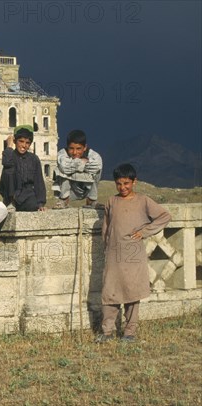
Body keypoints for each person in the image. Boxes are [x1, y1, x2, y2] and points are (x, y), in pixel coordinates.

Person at [96, 163, 171, 343]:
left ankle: (129, 332)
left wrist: (144, 232)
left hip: (133, 254)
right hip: (114, 254)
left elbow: (164, 216)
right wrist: (107, 246)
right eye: (119, 184)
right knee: (110, 292)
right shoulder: (111, 201)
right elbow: (106, 227)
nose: (123, 187)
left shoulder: (143, 200)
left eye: (127, 183)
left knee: (132, 293)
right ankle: (107, 331)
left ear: (134, 182)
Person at [0, 125, 46, 211]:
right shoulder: (10, 154)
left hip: (27, 194)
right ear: (15, 141)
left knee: (33, 205)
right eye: (21, 141)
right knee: (9, 169)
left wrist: (40, 203)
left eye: (27, 143)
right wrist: (9, 146)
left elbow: (39, 181)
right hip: (11, 192)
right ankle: (10, 202)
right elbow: (6, 163)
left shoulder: (34, 159)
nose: (24, 145)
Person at [52, 129, 103, 209]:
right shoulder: (62, 153)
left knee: (97, 171)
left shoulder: (94, 155)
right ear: (67, 147)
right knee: (60, 170)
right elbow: (64, 166)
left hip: (87, 187)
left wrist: (73, 165)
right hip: (70, 189)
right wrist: (83, 162)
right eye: (71, 148)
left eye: (78, 148)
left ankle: (91, 200)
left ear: (85, 147)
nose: (75, 152)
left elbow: (97, 165)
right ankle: (64, 200)